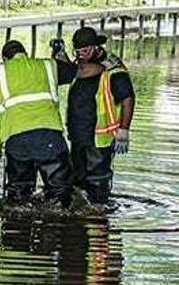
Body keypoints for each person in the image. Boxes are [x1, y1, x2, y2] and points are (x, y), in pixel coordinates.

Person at [0, 38, 76, 211]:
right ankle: (59, 230)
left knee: (19, 200)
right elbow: (72, 72)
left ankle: (18, 232)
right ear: (25, 55)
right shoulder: (47, 66)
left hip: (17, 141)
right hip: (49, 137)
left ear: (5, 58)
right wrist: (59, 53)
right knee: (62, 196)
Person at [52, 27, 135, 205]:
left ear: (96, 47)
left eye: (85, 51)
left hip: (100, 140)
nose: (80, 55)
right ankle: (78, 225)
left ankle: (98, 218)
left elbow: (128, 98)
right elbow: (72, 72)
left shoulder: (113, 68)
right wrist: (60, 56)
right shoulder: (81, 66)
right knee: (77, 183)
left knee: (97, 183)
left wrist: (124, 130)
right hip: (78, 135)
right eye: (77, 51)